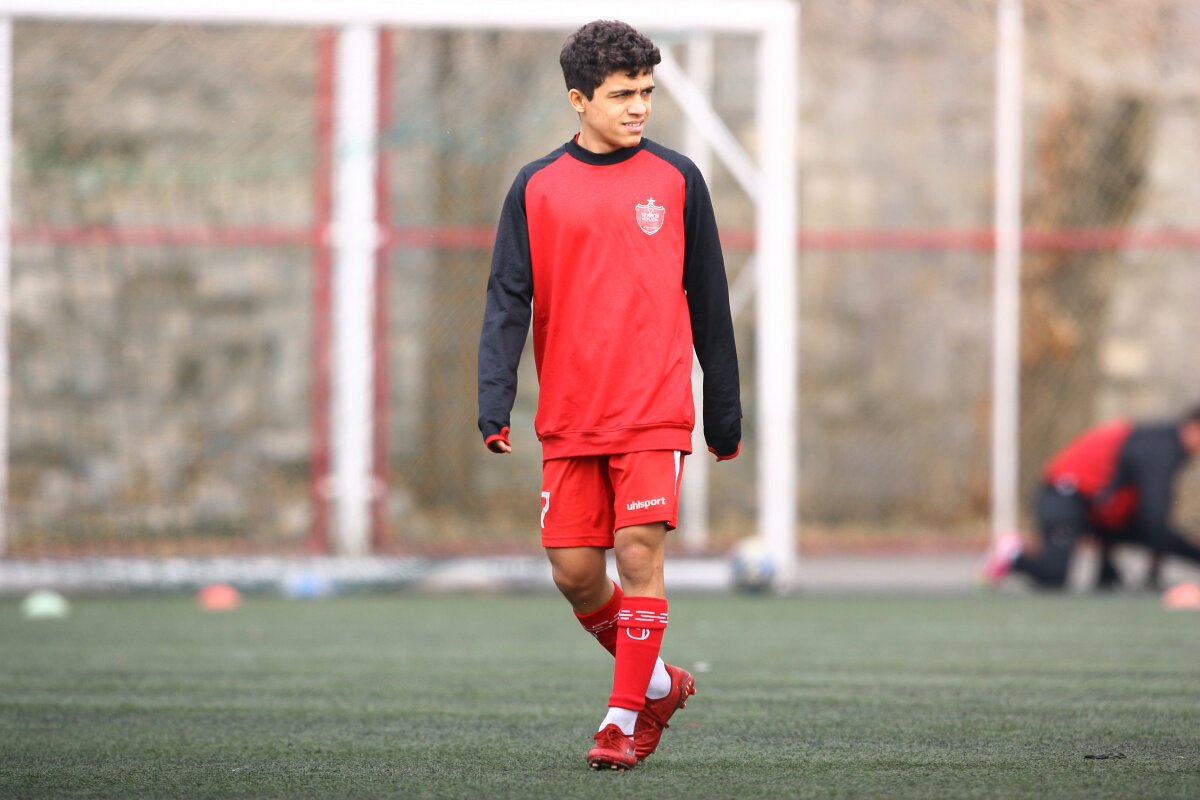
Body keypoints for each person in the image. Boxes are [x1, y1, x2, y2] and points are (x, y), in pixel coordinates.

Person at [477, 19, 741, 771]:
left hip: (653, 409)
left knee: (636, 554)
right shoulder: (535, 186)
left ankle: (621, 721)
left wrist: (724, 411)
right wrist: (495, 398)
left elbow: (710, 300)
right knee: (574, 573)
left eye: (646, 92)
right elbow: (507, 299)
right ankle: (658, 684)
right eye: (623, 94)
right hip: (570, 415)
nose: (639, 107)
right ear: (578, 99)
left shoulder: (678, 179)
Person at [982, 405, 1200, 591]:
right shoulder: (1160, 448)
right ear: (1193, 427)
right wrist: (1153, 574)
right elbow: (1154, 515)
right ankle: (1011, 554)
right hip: (1063, 498)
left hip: (1091, 508)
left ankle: (1107, 572)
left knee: (1156, 534)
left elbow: (1126, 509)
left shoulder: (1160, 443)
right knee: (1054, 576)